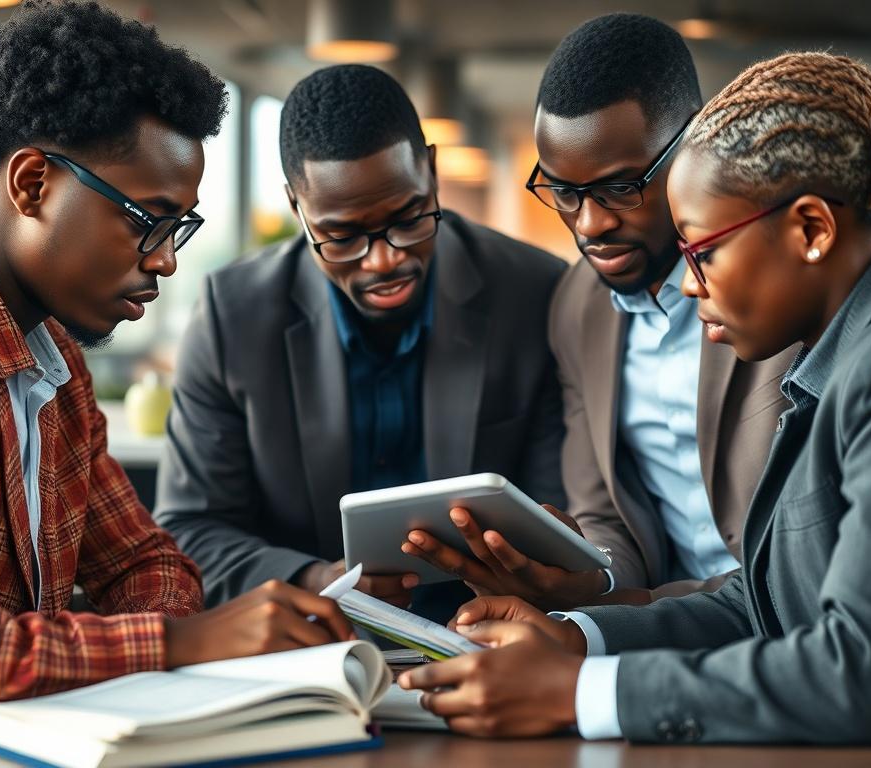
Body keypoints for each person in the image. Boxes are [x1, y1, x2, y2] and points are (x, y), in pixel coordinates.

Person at [0, 0, 351, 725]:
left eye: (178, 229)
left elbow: (147, 567)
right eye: (145, 220)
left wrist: (176, 633)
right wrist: (178, 644)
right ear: (32, 183)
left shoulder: (53, 359)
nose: (163, 260)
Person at [400, 50, 871, 745]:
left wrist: (580, 694)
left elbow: (866, 671)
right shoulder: (842, 350)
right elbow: (764, 605)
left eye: (704, 252)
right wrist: (576, 640)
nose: (688, 286)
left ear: (811, 229)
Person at [402, 13, 796, 609]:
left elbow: (799, 568)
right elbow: (607, 516)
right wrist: (588, 576)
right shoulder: (577, 306)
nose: (590, 226)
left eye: (620, 188)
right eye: (563, 192)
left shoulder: (785, 286)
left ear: (693, 144)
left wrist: (619, 618)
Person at [154, 64, 567, 619]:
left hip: (497, 630)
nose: (385, 259)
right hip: (312, 638)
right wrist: (320, 580)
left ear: (433, 172)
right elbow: (190, 530)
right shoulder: (235, 316)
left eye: (409, 217)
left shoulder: (533, 292)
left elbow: (561, 514)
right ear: (297, 209)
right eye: (343, 236)